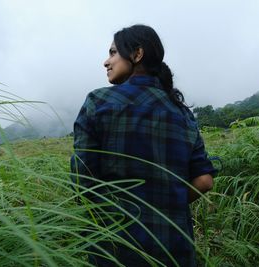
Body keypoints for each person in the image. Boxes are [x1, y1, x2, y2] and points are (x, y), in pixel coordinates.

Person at [71, 24, 216, 267]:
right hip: (174, 248)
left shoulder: (99, 102)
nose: (106, 62)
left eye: (113, 52)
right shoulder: (183, 114)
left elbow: (82, 181)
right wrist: (167, 204)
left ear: (137, 54)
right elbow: (204, 181)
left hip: (115, 248)